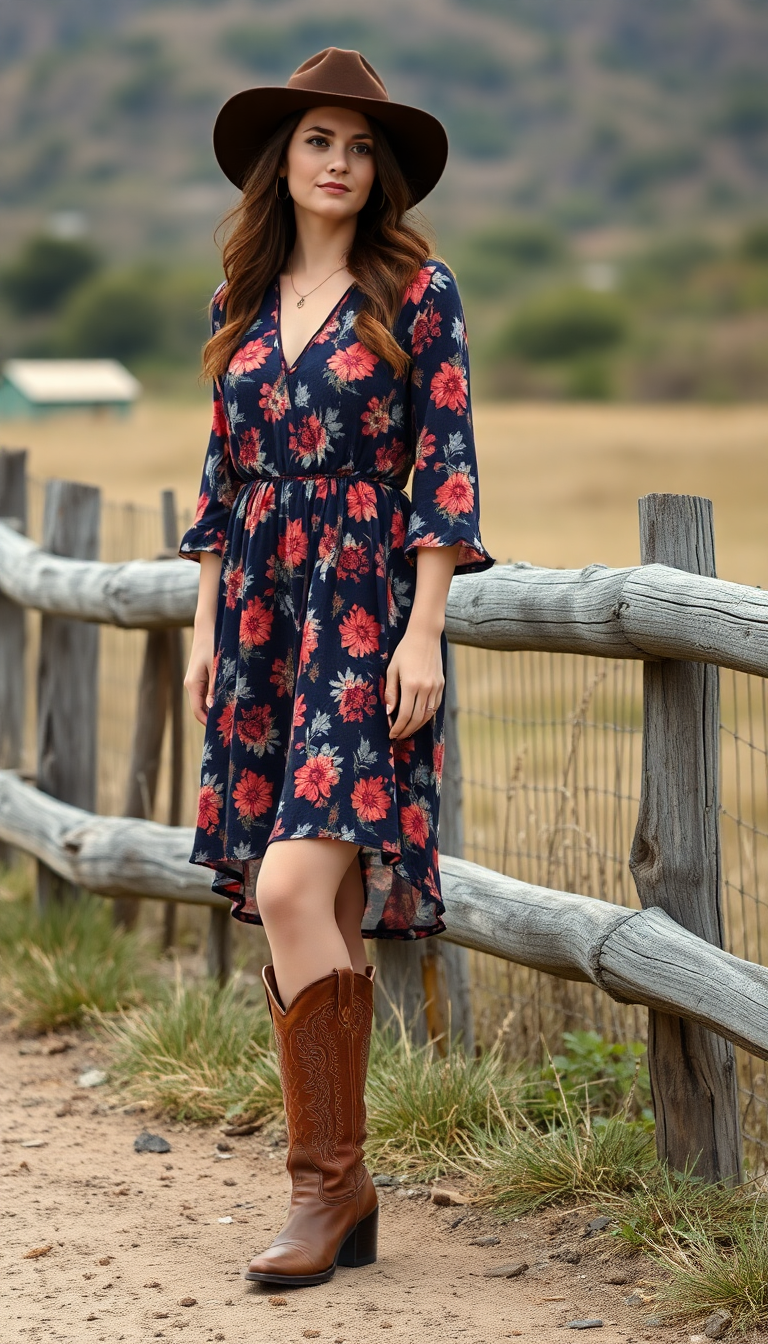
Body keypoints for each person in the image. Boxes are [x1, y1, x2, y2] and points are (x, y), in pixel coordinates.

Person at [179, 46, 495, 1288]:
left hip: (362, 610)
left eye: (362, 150)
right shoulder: (238, 302)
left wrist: (425, 628)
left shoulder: (418, 290)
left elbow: (449, 464)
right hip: (258, 611)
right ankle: (341, 1199)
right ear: (282, 159)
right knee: (312, 898)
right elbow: (219, 478)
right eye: (320, 141)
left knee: (295, 888)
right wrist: (205, 620)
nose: (341, 164)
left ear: (384, 175)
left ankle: (328, 1191)